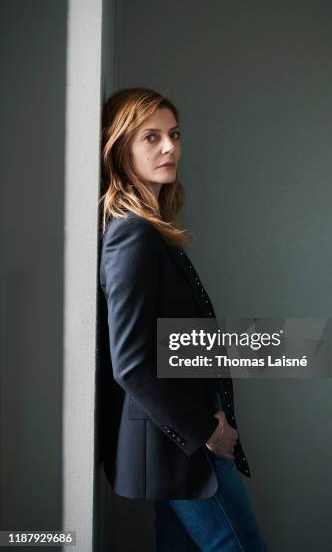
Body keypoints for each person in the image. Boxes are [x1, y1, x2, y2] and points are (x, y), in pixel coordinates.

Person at [98, 87, 268, 551]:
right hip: (182, 445)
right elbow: (130, 363)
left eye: (173, 134)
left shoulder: (149, 230)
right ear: (120, 149)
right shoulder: (131, 235)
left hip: (179, 443)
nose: (170, 147)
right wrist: (207, 430)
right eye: (150, 137)